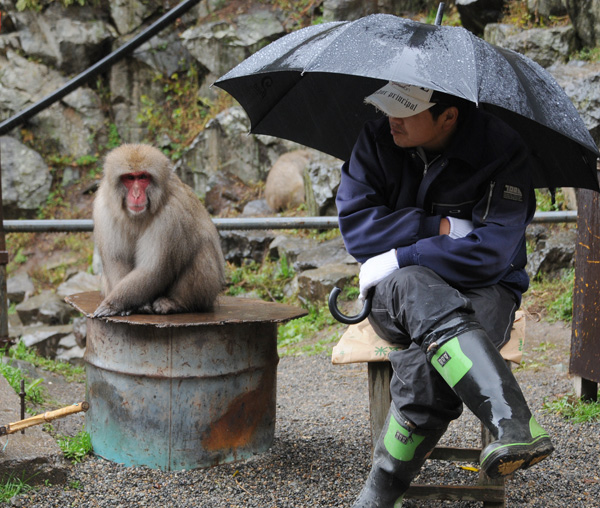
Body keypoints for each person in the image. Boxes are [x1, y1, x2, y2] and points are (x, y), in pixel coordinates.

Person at [335, 82, 555, 507]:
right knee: (414, 284)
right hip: (398, 291)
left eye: (405, 110)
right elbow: (359, 229)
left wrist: (401, 252)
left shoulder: (502, 148)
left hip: (485, 290)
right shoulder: (376, 138)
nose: (391, 118)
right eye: (387, 107)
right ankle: (513, 420)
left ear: (448, 116)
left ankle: (380, 492)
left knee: (432, 356)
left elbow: (490, 255)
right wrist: (437, 230)